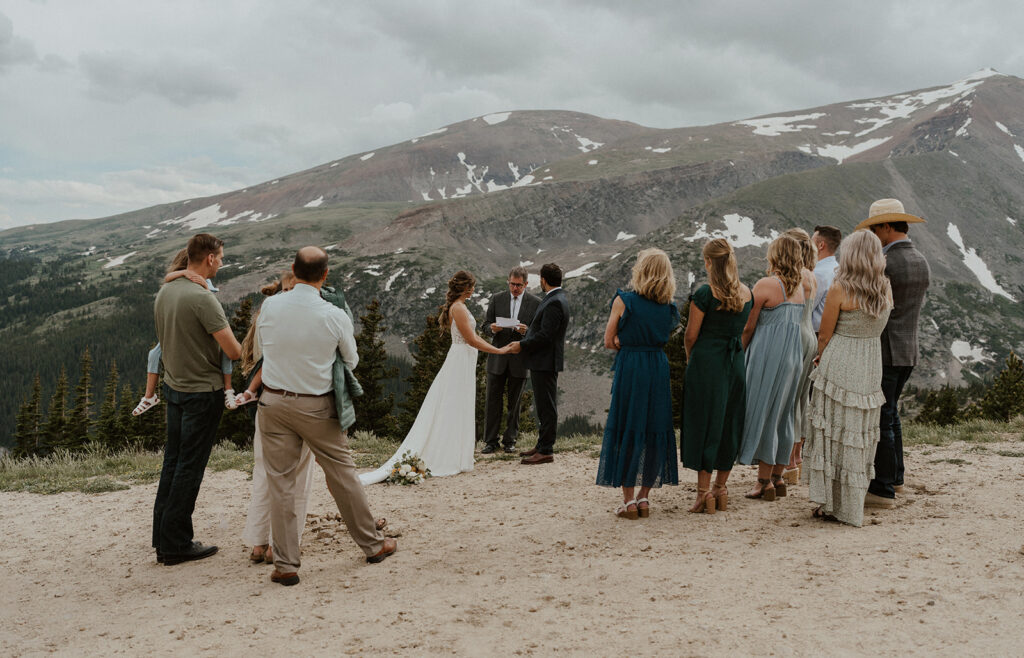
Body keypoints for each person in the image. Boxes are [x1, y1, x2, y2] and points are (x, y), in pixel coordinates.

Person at [256, 246, 395, 585]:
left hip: (272, 403)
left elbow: (264, 345)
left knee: (281, 483)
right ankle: (373, 545)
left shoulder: (270, 305)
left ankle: (286, 565)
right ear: (325, 275)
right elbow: (351, 361)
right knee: (341, 475)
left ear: (293, 269)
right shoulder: (333, 315)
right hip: (317, 405)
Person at [358, 270, 511, 485]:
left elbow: (474, 337)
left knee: (459, 405)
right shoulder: (458, 308)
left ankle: (456, 454)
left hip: (464, 360)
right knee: (451, 405)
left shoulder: (460, 306)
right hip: (460, 359)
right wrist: (500, 351)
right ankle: (446, 455)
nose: (474, 290)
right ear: (465, 287)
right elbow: (471, 339)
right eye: (472, 286)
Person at [152, 233, 241, 565]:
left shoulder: (167, 291)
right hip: (202, 392)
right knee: (190, 466)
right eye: (221, 257)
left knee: (172, 463)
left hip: (174, 387)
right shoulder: (203, 298)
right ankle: (176, 543)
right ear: (210, 259)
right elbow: (232, 349)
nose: (221, 262)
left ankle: (163, 538)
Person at [805, 229, 893, 526]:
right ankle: (851, 502)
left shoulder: (840, 288)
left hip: (841, 359)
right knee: (858, 434)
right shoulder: (885, 288)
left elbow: (826, 334)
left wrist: (819, 358)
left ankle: (831, 501)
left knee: (835, 432)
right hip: (870, 363)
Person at [857, 199, 930, 508]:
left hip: (885, 349)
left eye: (875, 228)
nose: (873, 234)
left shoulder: (885, 263)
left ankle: (883, 488)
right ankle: (896, 478)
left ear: (886, 227)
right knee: (892, 414)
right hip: (908, 348)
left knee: (881, 418)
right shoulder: (920, 260)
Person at [237, 271, 315, 565]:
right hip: (299, 400)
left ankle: (258, 543)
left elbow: (261, 362)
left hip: (267, 404)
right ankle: (280, 545)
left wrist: (250, 391)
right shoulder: (298, 316)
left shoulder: (266, 315)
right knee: (297, 477)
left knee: (265, 473)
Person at [596, 249, 680, 518]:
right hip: (657, 365)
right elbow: (662, 335)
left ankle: (628, 500)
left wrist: (625, 342)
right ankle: (644, 497)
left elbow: (609, 340)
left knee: (628, 427)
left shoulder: (625, 301)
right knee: (653, 428)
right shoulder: (669, 307)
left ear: (641, 271)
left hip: (631, 365)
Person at [681, 239, 753, 514]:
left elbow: (690, 335)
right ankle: (721, 489)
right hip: (735, 361)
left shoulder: (705, 293)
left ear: (709, 262)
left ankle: (703, 494)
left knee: (705, 421)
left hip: (708, 361)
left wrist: (692, 358)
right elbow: (744, 330)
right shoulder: (747, 293)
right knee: (729, 421)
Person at [736, 235, 805, 500]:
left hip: (768, 353)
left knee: (763, 410)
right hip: (792, 355)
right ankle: (777, 476)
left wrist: (739, 352)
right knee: (783, 413)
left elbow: (749, 325)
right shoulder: (799, 288)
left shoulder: (766, 284)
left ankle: (763, 481)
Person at [133, 248, 236, 416]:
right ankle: (149, 396)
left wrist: (203, 287)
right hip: (183, 328)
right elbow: (168, 277)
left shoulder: (194, 283)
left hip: (203, 325)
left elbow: (207, 301)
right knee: (154, 354)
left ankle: (228, 389)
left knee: (225, 349)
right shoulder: (180, 280)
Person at [508, 264, 570, 465]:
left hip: (545, 361)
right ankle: (542, 444)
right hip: (543, 360)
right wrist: (529, 332)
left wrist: (522, 345)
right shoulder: (556, 298)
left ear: (544, 280)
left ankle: (546, 450)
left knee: (547, 405)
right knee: (543, 405)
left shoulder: (554, 302)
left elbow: (546, 336)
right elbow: (543, 331)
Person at [482, 266, 540, 454]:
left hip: (520, 359)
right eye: (512, 284)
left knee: (515, 403)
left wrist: (526, 331)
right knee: (493, 401)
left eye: (518, 285)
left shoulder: (535, 303)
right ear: (508, 282)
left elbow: (539, 332)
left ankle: (510, 440)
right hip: (497, 356)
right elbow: (485, 326)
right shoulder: (497, 299)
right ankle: (490, 441)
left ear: (526, 284)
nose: (514, 288)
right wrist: (492, 328)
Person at [782, 228, 818, 481]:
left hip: (795, 335)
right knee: (802, 398)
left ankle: (789, 461)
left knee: (789, 398)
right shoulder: (812, 275)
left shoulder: (796, 275)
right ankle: (797, 458)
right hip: (810, 335)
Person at [811, 225, 842, 332]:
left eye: (811, 241)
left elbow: (806, 308)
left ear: (821, 245)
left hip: (814, 333)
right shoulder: (838, 269)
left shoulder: (818, 274)